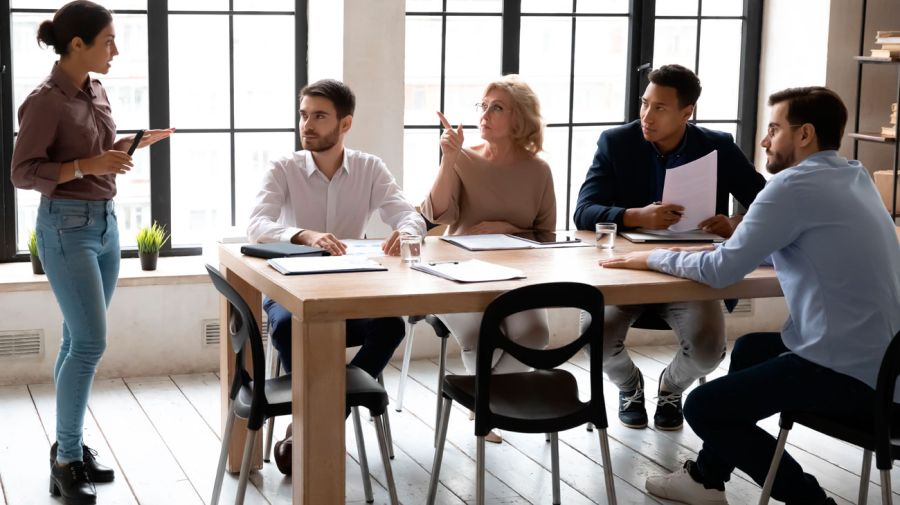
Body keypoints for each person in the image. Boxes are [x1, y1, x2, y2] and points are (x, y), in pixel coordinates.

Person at [603, 86, 900, 504]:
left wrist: (653, 258)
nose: (763, 141)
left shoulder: (793, 186)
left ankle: (813, 502)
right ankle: (707, 479)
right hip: (888, 368)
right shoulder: (854, 176)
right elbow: (806, 248)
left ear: (805, 135)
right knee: (750, 350)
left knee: (704, 408)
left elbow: (721, 270)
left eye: (774, 129)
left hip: (849, 376)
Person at [10, 2, 174, 504]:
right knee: (88, 344)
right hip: (66, 229)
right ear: (76, 44)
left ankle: (69, 444)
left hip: (105, 226)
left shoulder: (95, 90)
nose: (115, 51)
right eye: (108, 41)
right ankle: (65, 462)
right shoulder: (44, 100)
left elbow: (94, 156)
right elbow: (22, 173)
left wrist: (126, 147)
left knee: (75, 340)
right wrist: (88, 165)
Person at [572, 64, 767, 431]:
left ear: (686, 112)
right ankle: (630, 387)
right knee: (594, 337)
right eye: (644, 104)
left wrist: (734, 224)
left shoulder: (718, 145)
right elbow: (583, 211)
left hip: (692, 270)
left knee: (709, 351)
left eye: (659, 108)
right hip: (626, 268)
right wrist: (636, 215)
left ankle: (670, 388)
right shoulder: (616, 142)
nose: (646, 116)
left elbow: (765, 203)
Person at [247, 78, 425, 473]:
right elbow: (256, 225)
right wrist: (303, 234)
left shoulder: (369, 168)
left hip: (352, 290)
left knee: (390, 326)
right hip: (290, 289)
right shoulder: (284, 167)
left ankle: (318, 417)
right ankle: (323, 415)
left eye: (319, 117)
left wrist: (408, 232)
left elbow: (408, 214)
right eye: (304, 115)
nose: (307, 125)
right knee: (288, 327)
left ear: (344, 125)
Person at [421, 74, 556, 443]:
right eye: (483, 105)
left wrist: (505, 229)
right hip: (456, 270)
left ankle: (480, 401)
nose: (485, 113)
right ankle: (488, 411)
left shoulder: (539, 170)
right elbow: (435, 213)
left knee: (536, 333)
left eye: (497, 107)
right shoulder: (462, 158)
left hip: (516, 273)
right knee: (482, 336)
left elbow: (546, 237)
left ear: (519, 120)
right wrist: (449, 160)